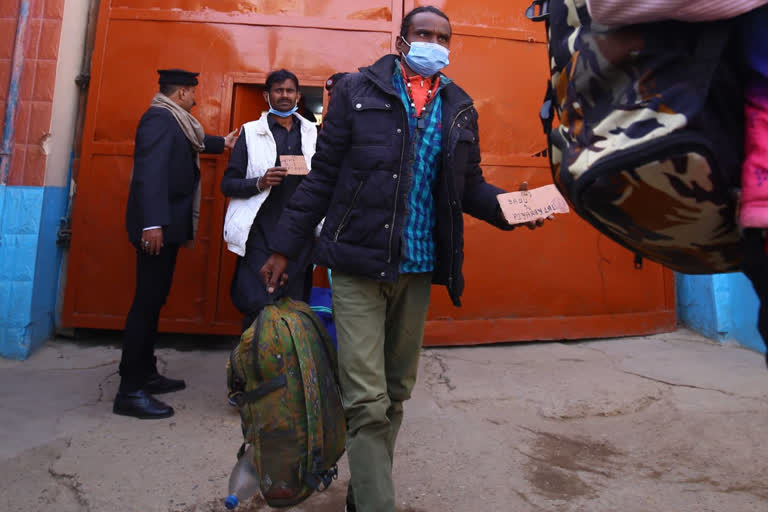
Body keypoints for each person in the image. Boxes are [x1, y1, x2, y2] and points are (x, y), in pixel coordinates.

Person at [260, 7, 546, 511]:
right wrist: (284, 247)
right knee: (367, 402)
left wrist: (513, 210)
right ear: (402, 40)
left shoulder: (459, 107)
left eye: (442, 36)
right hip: (355, 262)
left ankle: (365, 491)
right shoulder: (355, 92)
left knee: (394, 395)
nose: (433, 43)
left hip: (417, 267)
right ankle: (376, 504)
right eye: (423, 34)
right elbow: (322, 178)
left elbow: (469, 186)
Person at [116, 69, 238, 420]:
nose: (195, 99)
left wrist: (223, 143)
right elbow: (149, 173)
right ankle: (130, 390)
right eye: (192, 93)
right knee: (145, 304)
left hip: (164, 228)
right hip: (156, 229)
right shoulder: (159, 119)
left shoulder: (175, 121)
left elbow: (195, 142)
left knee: (154, 302)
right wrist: (152, 224)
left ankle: (146, 373)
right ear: (182, 92)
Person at [221, 69, 318, 332]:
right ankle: (254, 367)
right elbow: (227, 184)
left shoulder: (312, 133)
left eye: (289, 90)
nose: (284, 95)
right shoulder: (251, 133)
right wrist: (259, 182)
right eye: (278, 90)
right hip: (260, 235)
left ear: (298, 96)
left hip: (299, 236)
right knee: (258, 307)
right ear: (267, 96)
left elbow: (325, 182)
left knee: (295, 310)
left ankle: (290, 370)